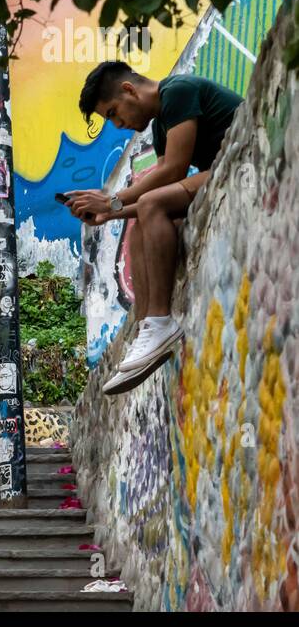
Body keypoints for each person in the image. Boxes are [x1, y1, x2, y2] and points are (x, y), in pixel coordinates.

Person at [66, 60, 244, 395]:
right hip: (219, 173)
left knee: (148, 206)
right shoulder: (161, 126)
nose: (118, 125)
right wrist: (111, 214)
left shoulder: (178, 91)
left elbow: (174, 170)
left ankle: (160, 322)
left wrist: (111, 199)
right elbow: (158, 192)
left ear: (129, 90)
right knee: (140, 220)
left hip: (240, 162)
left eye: (114, 113)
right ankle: (147, 326)